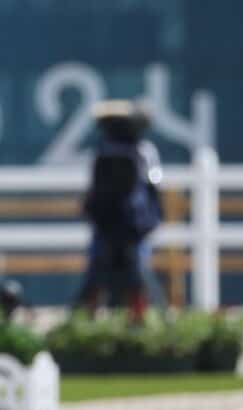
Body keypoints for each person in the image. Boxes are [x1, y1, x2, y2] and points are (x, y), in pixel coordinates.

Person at [75, 99, 164, 320]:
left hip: (106, 225)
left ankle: (89, 320)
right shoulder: (145, 151)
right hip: (132, 226)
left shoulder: (102, 150)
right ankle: (139, 319)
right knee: (137, 274)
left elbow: (92, 192)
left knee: (98, 274)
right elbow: (154, 186)